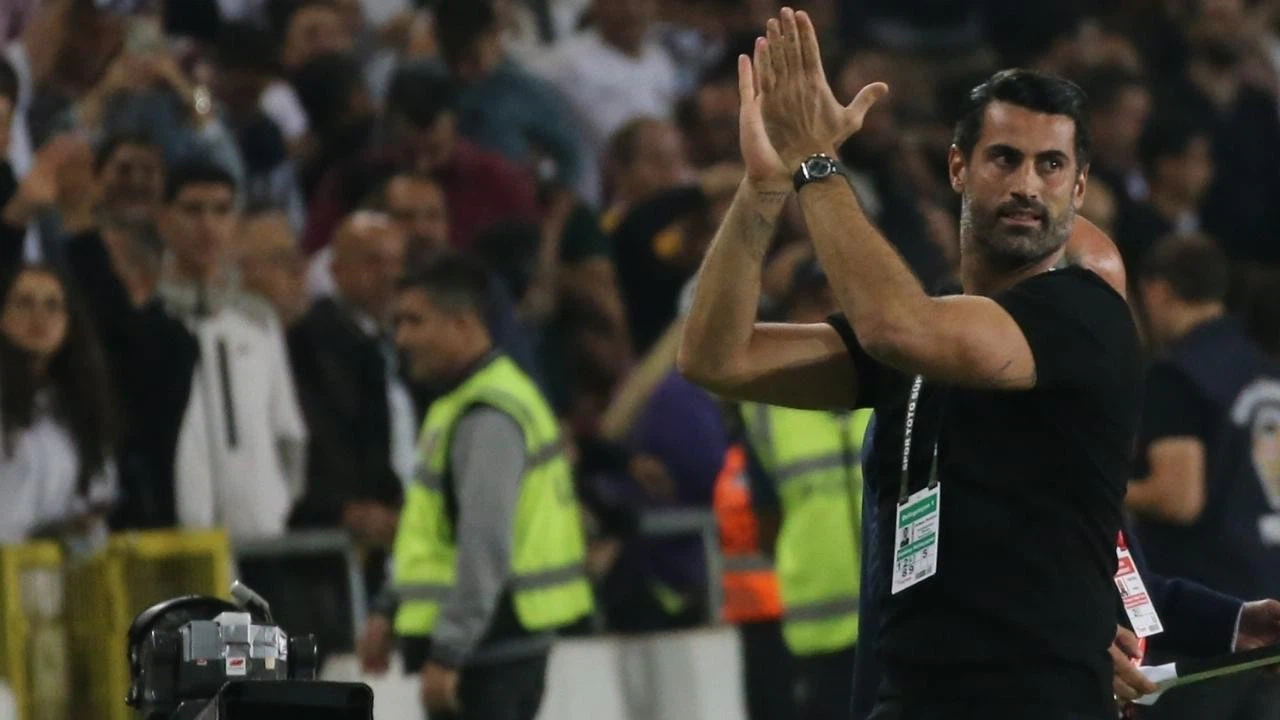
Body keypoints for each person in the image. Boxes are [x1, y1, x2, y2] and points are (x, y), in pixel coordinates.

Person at [679, 9, 1142, 719]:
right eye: (1004, 158)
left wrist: (814, 163)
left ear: (1078, 189)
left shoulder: (1083, 315)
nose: (1027, 184)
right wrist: (765, 185)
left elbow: (898, 326)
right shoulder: (926, 332)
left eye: (1051, 165)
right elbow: (717, 356)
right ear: (957, 168)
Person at [361, 254, 593, 720]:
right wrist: (389, 607)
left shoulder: (487, 415)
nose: (401, 339)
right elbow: (429, 535)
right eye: (397, 323)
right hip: (489, 648)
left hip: (489, 655)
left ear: (462, 324)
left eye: (415, 322)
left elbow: (484, 545)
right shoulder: (465, 402)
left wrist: (450, 652)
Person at [1126, 233, 1280, 719]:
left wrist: (1096, 486)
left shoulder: (1178, 374)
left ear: (1156, 289)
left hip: (1206, 618)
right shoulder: (1266, 369)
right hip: (1266, 616)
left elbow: (1179, 497)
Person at [739, 259, 870, 720]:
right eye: (816, 303)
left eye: (841, 302)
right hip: (819, 635)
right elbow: (766, 521)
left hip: (897, 624)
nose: (830, 317)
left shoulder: (901, 385)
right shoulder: (767, 407)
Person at [0, 263, 117, 544]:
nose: (39, 316)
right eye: (24, 303)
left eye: (52, 306)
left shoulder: (77, 406)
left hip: (57, 567)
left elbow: (97, 494)